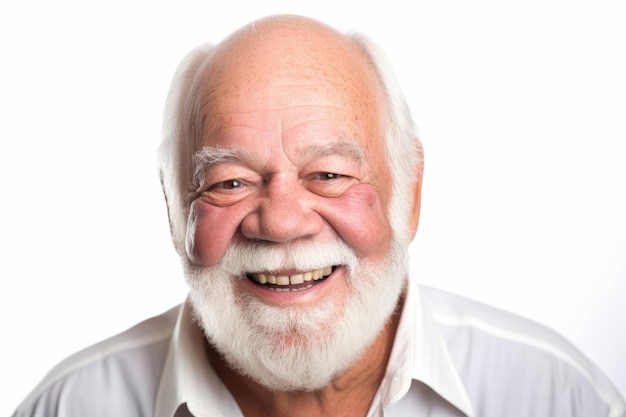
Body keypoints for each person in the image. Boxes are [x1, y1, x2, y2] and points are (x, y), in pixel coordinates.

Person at [13, 14, 625, 417]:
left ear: (408, 193)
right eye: (229, 181)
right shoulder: (70, 406)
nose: (280, 223)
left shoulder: (557, 397)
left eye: (328, 174)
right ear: (175, 211)